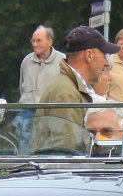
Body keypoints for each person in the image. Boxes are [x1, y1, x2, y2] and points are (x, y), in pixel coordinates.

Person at [34, 26, 117, 154]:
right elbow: (68, 151)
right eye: (104, 55)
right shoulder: (65, 92)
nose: (106, 63)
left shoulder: (74, 88)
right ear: (89, 55)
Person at [17, 26, 62, 104]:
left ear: (49, 42)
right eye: (33, 41)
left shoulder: (63, 61)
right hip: (27, 108)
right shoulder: (26, 61)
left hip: (52, 109)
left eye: (39, 41)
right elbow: (22, 87)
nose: (35, 44)